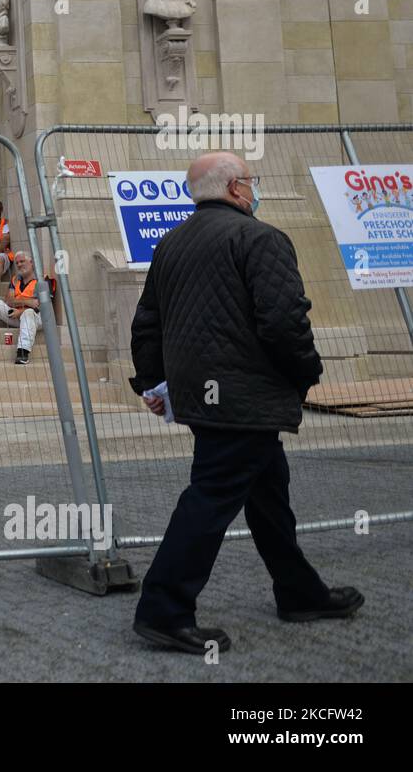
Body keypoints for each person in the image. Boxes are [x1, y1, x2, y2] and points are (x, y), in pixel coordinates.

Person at [129, 151, 362, 656]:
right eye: (251, 182)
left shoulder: (170, 243)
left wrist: (153, 384)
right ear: (236, 187)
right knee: (212, 496)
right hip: (244, 395)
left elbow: (147, 321)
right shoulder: (261, 238)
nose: (254, 190)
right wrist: (306, 372)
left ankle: (300, 592)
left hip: (203, 393)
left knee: (267, 491)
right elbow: (284, 321)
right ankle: (164, 609)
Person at [0, 251, 54, 365]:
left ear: (31, 263)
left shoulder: (43, 279)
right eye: (17, 263)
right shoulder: (15, 279)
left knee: (28, 313)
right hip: (15, 314)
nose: (19, 265)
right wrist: (28, 302)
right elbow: (8, 300)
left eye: (22, 261)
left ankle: (23, 351)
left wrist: (21, 310)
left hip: (37, 318)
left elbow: (43, 306)